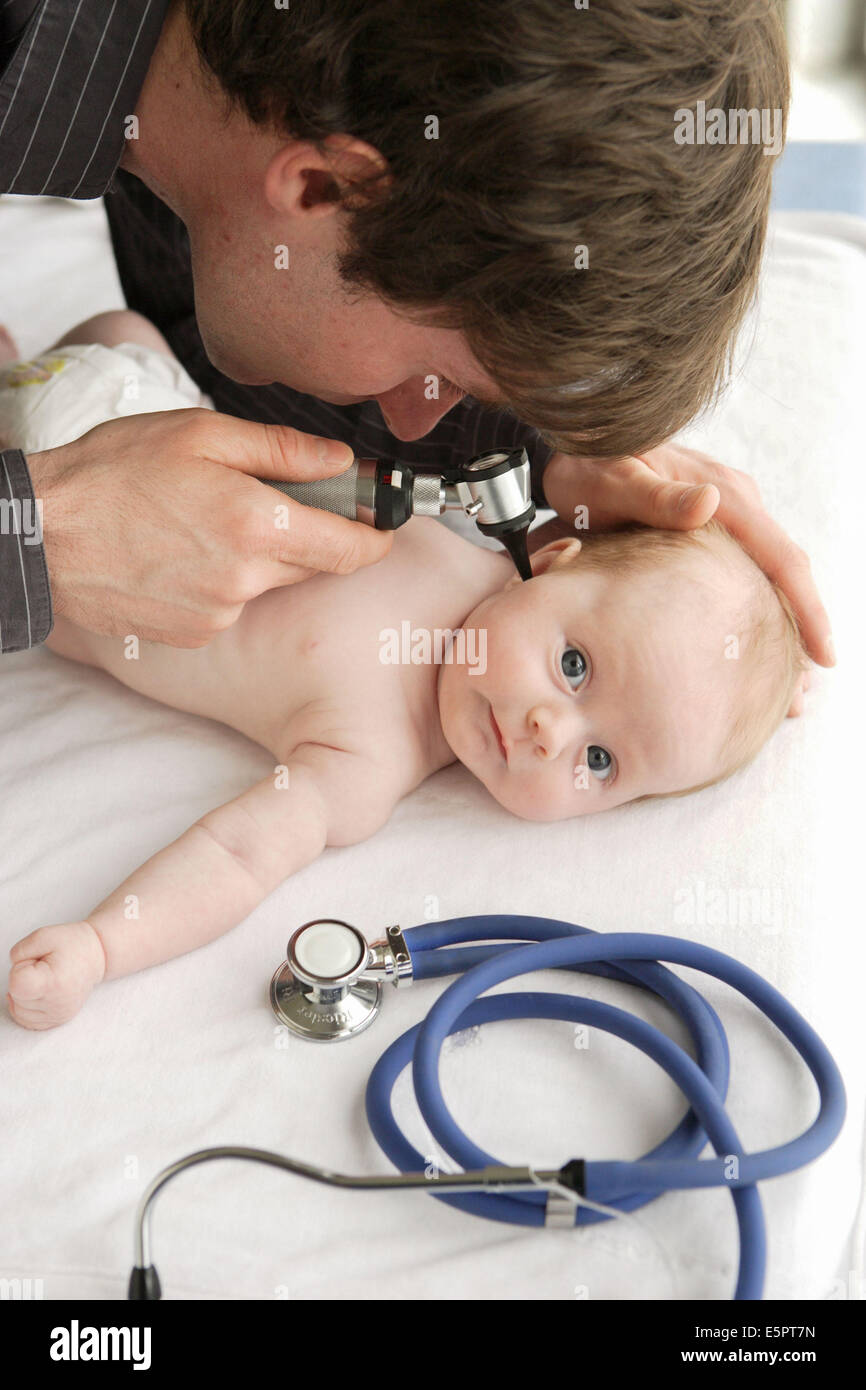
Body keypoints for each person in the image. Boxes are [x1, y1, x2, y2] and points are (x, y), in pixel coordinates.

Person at [0, 1, 831, 712]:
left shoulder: (207, 108)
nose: (419, 413)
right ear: (323, 188)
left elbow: (229, 312)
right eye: (438, 383)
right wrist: (43, 535)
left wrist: (530, 458)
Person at [2, 311, 809, 1028]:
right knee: (124, 328)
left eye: (599, 762)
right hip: (152, 414)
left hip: (59, 558)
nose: (547, 732)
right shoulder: (480, 531)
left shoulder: (367, 761)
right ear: (552, 551)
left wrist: (102, 946)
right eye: (573, 665)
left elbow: (236, 857)